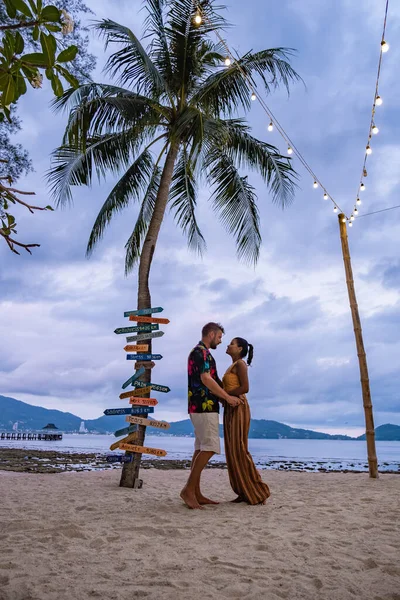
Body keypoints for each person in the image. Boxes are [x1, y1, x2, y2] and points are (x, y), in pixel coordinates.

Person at [180, 322, 242, 510]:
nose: (221, 341)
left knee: (200, 448)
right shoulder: (202, 352)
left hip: (198, 406)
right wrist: (227, 398)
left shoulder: (199, 352)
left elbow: (209, 379)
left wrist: (222, 398)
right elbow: (206, 379)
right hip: (203, 406)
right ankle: (188, 490)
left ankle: (196, 492)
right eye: (220, 337)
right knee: (210, 447)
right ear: (212, 334)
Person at [222, 337, 271, 505]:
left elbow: (245, 388)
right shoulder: (233, 365)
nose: (228, 345)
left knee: (239, 448)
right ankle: (244, 491)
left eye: (232, 344)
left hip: (238, 406)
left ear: (240, 348)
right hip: (230, 406)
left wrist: (228, 396)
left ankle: (258, 491)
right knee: (232, 451)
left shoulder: (241, 364)